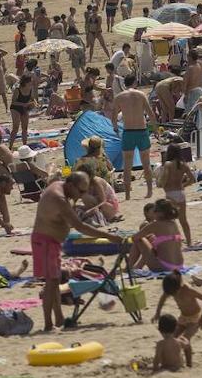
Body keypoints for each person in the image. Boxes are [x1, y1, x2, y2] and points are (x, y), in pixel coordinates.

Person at [30, 172, 122, 331]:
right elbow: (80, 226)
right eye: (81, 192)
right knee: (51, 284)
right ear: (71, 185)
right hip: (45, 242)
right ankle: (47, 324)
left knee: (55, 279)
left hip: (50, 242)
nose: (82, 195)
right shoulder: (59, 198)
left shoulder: (60, 188)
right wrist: (109, 236)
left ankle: (58, 318)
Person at [112, 75, 154, 200]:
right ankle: (149, 192)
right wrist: (155, 128)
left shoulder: (119, 97)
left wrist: (115, 129)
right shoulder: (141, 95)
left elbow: (114, 116)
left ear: (124, 84)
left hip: (128, 131)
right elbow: (150, 114)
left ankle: (127, 195)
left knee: (127, 166)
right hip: (141, 130)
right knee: (146, 163)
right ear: (135, 82)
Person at [153, 271, 202, 340]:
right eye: (171, 294)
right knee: (172, 338)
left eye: (174, 293)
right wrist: (158, 312)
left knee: (185, 339)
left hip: (195, 317)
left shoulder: (188, 290)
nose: (173, 295)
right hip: (183, 317)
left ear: (179, 287)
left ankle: (188, 351)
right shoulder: (170, 289)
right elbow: (162, 299)